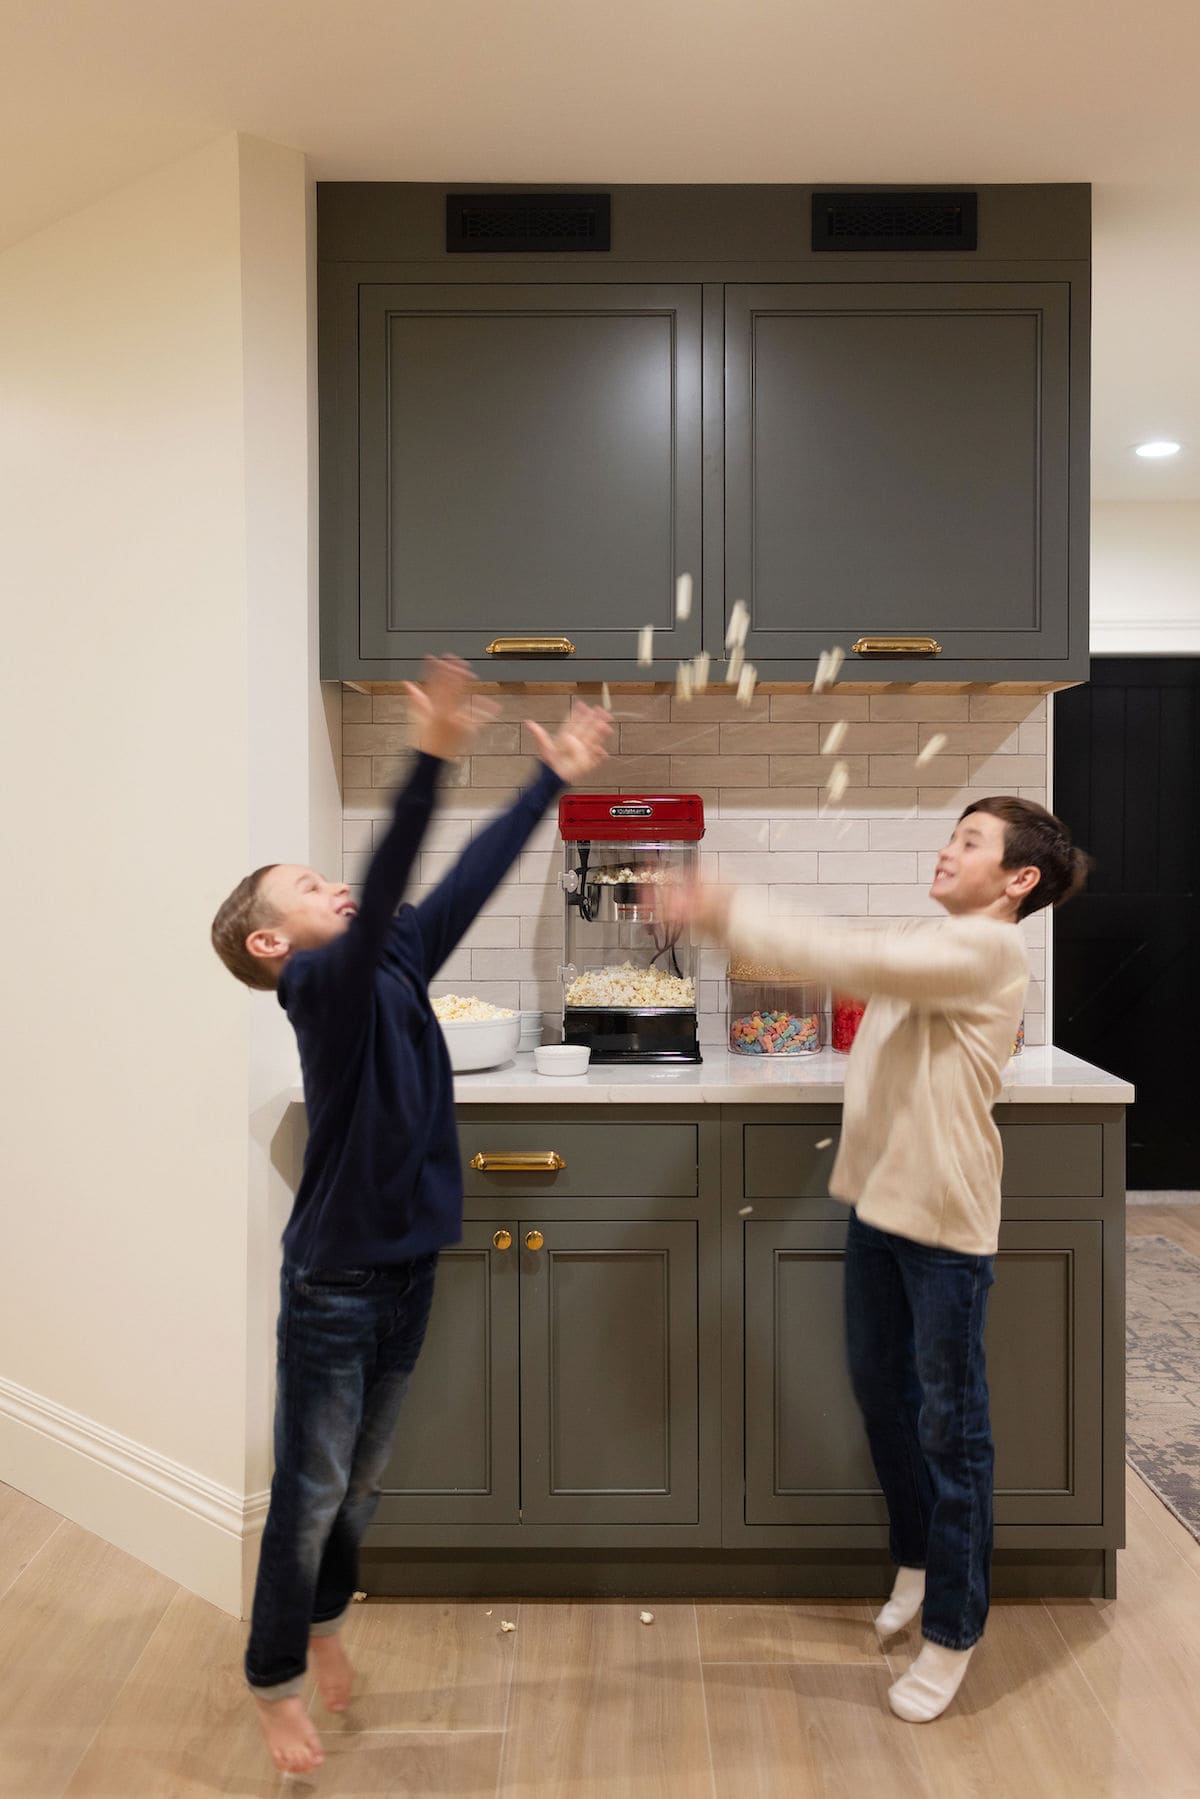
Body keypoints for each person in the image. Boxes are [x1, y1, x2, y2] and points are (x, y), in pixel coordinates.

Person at [210, 657, 612, 1774]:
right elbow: (388, 882)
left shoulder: (385, 957)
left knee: (362, 1481)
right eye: (305, 885)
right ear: (269, 943)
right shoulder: (316, 988)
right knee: (308, 1490)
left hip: (408, 1271)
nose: (333, 886)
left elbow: (454, 889)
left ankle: (328, 1618)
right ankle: (272, 1676)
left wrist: (544, 784)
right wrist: (430, 755)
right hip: (336, 1282)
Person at [665, 796, 1089, 1723]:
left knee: (954, 1428)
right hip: (879, 1209)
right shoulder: (941, 938)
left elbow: (855, 962)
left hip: (943, 1223)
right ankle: (917, 1553)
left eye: (970, 841)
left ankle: (955, 1629)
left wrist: (728, 905)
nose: (948, 849)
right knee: (884, 1396)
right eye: (954, 833)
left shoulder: (987, 949)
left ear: (1020, 880)